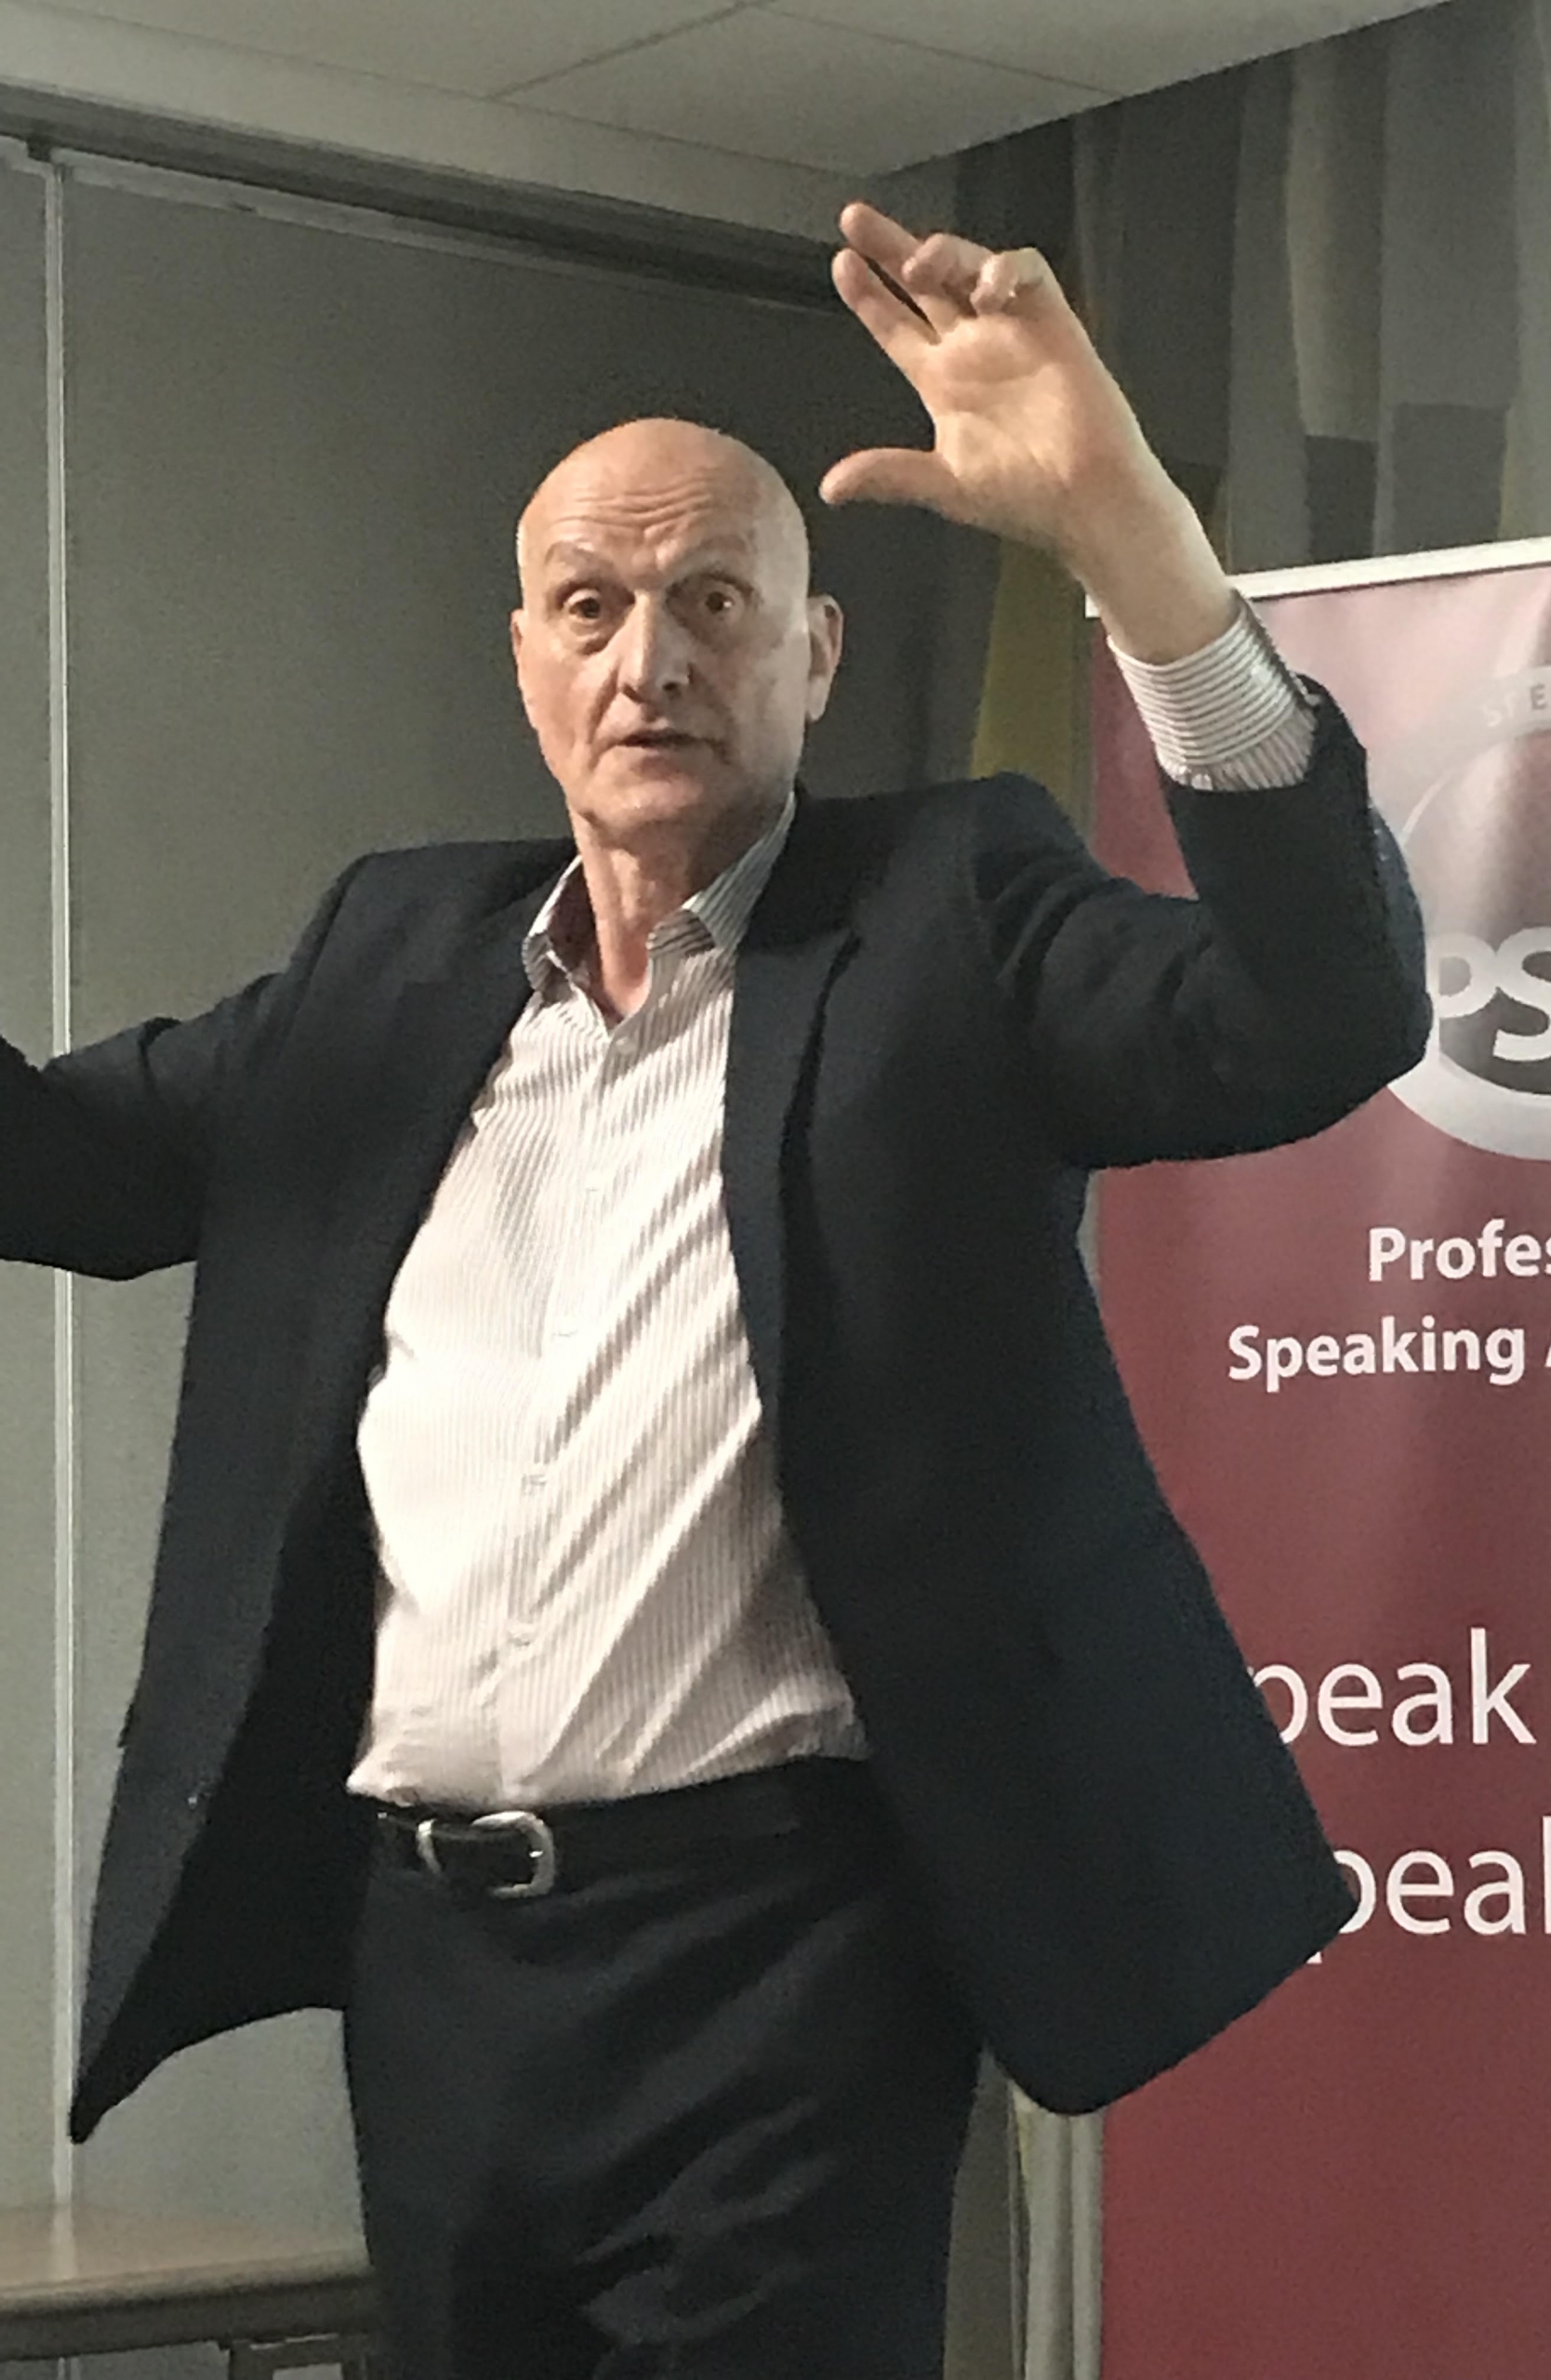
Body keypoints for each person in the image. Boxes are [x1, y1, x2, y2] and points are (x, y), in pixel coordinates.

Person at [0, 204, 1426, 2377]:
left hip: (785, 1957)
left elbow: (1315, 1012)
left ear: (815, 655)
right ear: (524, 660)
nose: (646, 658)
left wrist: (1136, 546)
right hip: (433, 1964)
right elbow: (62, 1165)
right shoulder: (391, 958)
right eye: (591, 606)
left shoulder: (949, 910)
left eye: (712, 603)